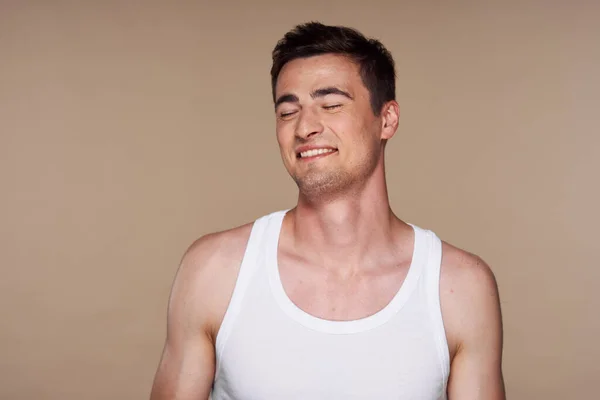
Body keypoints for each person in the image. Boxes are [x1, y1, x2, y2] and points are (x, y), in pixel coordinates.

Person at [150, 22, 505, 400]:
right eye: (287, 112)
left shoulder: (459, 287)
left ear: (387, 120)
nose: (305, 127)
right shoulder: (214, 271)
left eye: (331, 105)